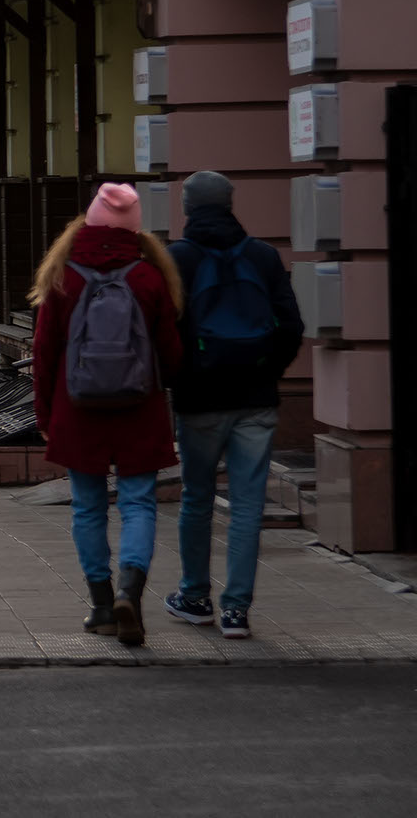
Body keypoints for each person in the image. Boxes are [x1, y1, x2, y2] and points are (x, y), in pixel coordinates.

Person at [28, 182, 183, 646]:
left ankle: (101, 605)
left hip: (78, 411)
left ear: (90, 222)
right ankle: (129, 593)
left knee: (89, 508)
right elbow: (171, 357)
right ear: (135, 229)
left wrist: (45, 414)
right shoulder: (150, 277)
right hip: (139, 409)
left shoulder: (63, 276)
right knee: (138, 504)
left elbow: (44, 354)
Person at [162, 170, 303, 641]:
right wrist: (267, 370)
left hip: (199, 400)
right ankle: (237, 611)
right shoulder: (262, 256)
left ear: (188, 207)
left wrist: (179, 377)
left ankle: (195, 597)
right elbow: (291, 325)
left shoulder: (176, 258)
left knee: (197, 499)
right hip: (256, 398)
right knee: (246, 505)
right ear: (229, 204)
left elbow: (166, 331)